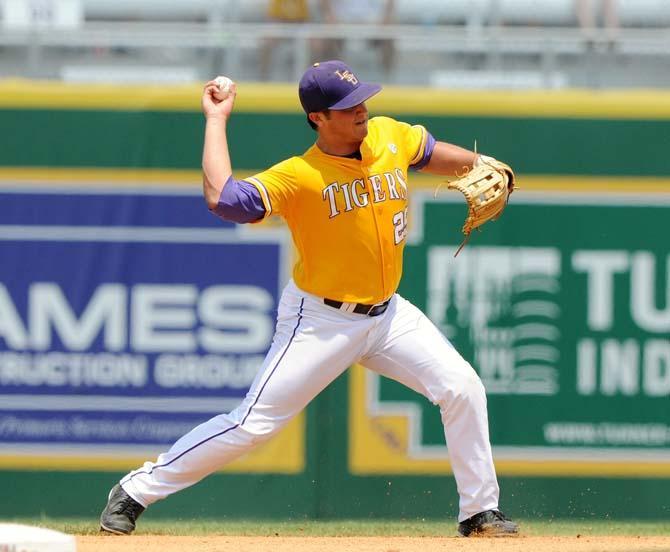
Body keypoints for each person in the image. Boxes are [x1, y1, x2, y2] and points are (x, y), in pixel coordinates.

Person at [99, 60, 518, 538]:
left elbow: (428, 153)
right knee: (252, 424)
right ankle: (135, 491)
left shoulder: (389, 135)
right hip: (320, 320)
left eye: (361, 100)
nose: (360, 111)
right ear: (318, 117)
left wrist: (480, 166)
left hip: (389, 314)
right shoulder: (300, 175)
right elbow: (224, 199)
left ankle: (479, 513)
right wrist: (216, 120)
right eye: (346, 107)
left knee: (462, 387)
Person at [318, 0, 395, 75]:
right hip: (341, 22)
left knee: (390, 36)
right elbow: (324, 4)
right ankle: (330, 79)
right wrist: (330, 16)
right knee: (325, 38)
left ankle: (388, 78)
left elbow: (389, 5)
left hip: (374, 23)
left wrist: (384, 19)